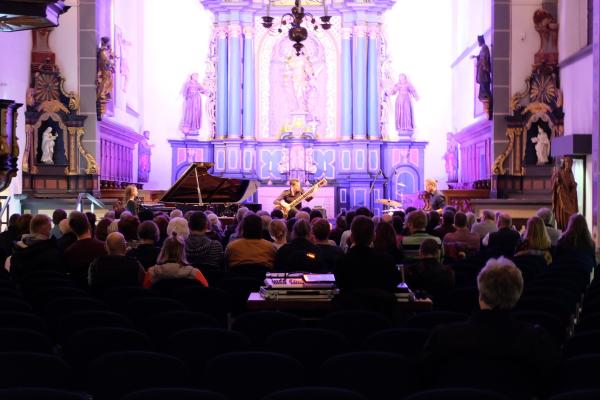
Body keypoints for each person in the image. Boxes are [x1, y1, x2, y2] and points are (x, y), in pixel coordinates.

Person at [421, 257, 560, 399]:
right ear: (517, 295)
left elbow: (425, 380)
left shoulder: (442, 337)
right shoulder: (535, 341)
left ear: (480, 295)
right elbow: (550, 384)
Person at [334, 216, 401, 294]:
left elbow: (339, 284)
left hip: (350, 305)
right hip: (380, 304)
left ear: (351, 238)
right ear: (374, 237)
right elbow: (394, 283)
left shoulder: (341, 261)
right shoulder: (387, 260)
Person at [144, 232, 208, 288]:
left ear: (163, 250)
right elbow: (206, 290)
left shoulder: (151, 273)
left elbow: (145, 294)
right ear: (183, 252)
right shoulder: (194, 273)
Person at [8, 214, 62, 281]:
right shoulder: (53, 253)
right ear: (48, 230)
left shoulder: (16, 252)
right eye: (50, 228)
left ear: (31, 228)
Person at [64, 211, 107, 285]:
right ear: (88, 225)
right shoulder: (104, 247)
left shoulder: (69, 252)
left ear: (71, 228)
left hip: (78, 292)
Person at [552, 156, 578, 230]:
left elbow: (572, 186)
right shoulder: (560, 172)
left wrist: (574, 186)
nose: (569, 164)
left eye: (570, 162)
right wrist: (557, 182)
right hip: (561, 201)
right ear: (564, 163)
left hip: (569, 201)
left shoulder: (571, 174)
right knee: (562, 220)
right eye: (567, 162)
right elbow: (554, 182)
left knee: (570, 219)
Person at [471, 35, 491, 103]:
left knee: (484, 86)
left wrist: (480, 63)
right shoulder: (483, 48)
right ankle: (484, 98)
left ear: (481, 41)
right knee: (483, 87)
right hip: (481, 71)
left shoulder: (485, 47)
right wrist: (476, 57)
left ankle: (486, 98)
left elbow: (484, 58)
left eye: (478, 42)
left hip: (483, 71)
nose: (478, 43)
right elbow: (481, 57)